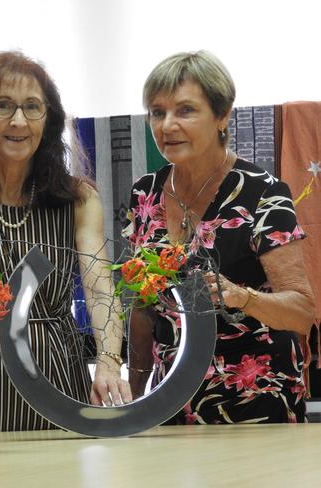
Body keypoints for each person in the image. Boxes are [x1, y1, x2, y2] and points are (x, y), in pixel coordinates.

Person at [0, 51, 132, 432]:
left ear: (48, 120)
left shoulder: (78, 199)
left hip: (58, 382)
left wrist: (109, 360)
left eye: (32, 107)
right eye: (3, 105)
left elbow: (99, 284)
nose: (18, 121)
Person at [124, 50, 315, 423]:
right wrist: (136, 399)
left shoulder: (263, 193)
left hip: (256, 402)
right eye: (157, 112)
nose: (167, 126)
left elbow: (302, 313)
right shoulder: (144, 194)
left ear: (222, 115)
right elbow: (142, 308)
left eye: (185, 111)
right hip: (172, 403)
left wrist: (242, 296)